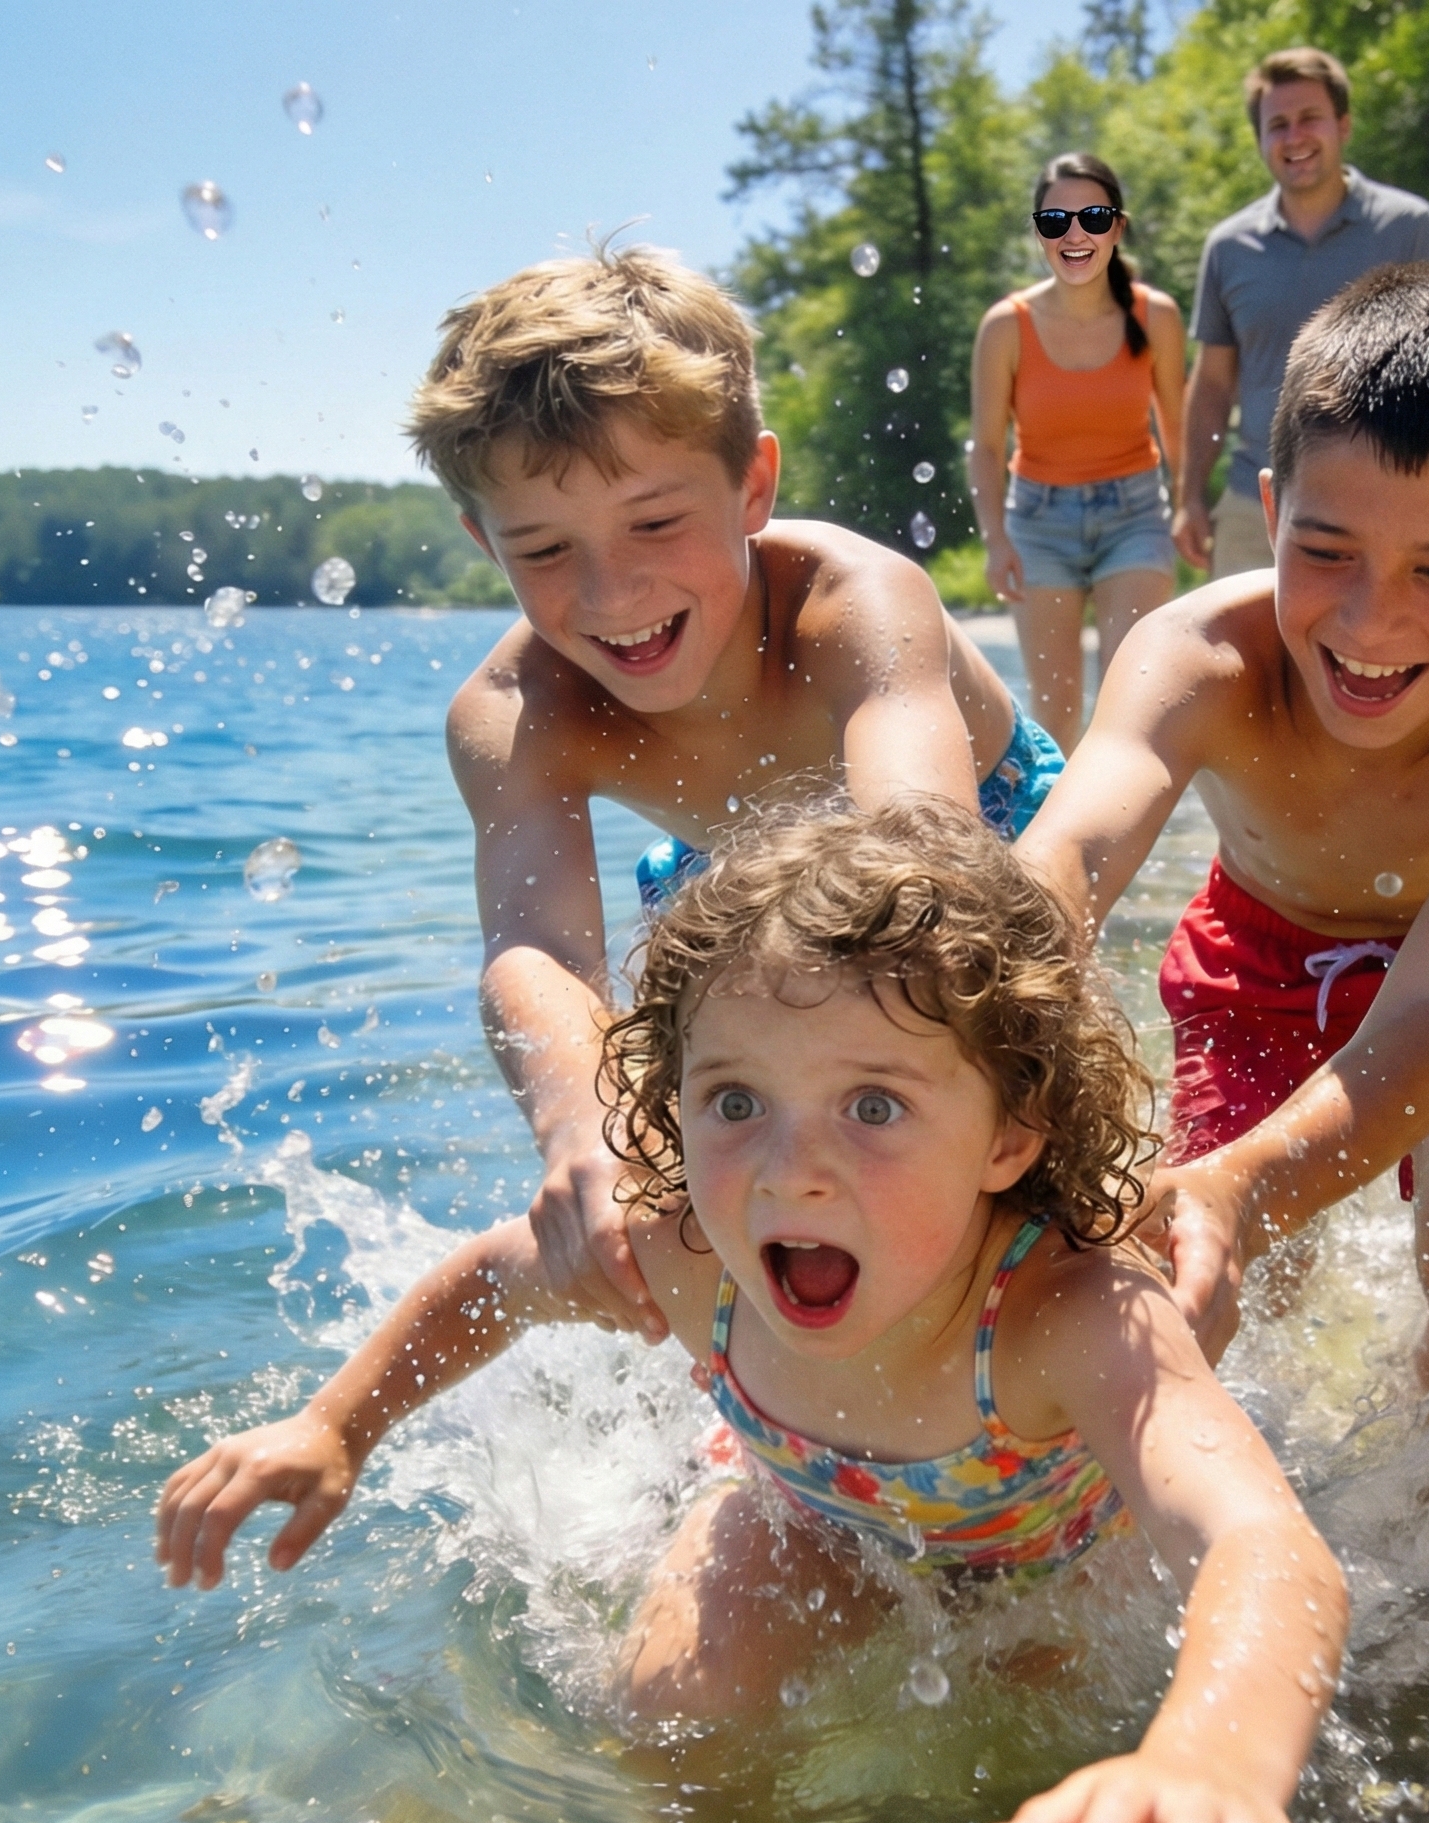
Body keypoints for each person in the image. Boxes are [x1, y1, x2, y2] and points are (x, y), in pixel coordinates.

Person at [154, 799, 1368, 1823]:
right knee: (678, 1707)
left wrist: (1214, 1750)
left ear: (1010, 1133)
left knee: (1020, 1768)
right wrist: (334, 1425)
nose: (792, 1170)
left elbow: (1265, 1548)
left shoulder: (1068, 1314)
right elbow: (492, 1285)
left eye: (875, 1105)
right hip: (803, 1509)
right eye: (734, 1101)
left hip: (1050, 1565)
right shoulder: (683, 1253)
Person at [405, 248, 1068, 1355]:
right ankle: (769, 1395)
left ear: (751, 485)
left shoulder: (854, 601)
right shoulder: (514, 712)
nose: (613, 594)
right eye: (544, 549)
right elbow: (536, 945)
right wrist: (585, 1133)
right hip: (729, 875)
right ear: (483, 540)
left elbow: (927, 849)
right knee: (717, 1159)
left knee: (988, 1153)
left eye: (655, 523)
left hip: (980, 833)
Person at [1022, 264, 1429, 1374]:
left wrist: (1241, 1188)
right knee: (1190, 1269)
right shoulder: (1195, 657)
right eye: (1325, 550)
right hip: (1249, 960)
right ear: (1270, 510)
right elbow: (1064, 855)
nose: (1369, 618)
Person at [1176, 48, 1429, 583]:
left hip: (1384, 497)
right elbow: (1210, 385)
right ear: (1260, 140)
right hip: (1255, 503)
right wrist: (1188, 498)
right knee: (1239, 664)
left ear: (1343, 125)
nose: (1293, 137)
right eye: (1276, 125)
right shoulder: (1228, 247)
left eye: (1309, 119)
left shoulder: (1408, 226)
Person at [968, 153, 1186, 753]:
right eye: (1054, 221)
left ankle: (1119, 845)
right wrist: (995, 539)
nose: (1075, 234)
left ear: (1117, 226)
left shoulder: (1156, 316)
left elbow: (1177, 427)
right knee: (1055, 712)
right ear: (1038, 233)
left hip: (1135, 516)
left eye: (1092, 216)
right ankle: (1047, 844)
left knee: (1130, 697)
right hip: (1038, 525)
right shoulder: (1005, 327)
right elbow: (986, 447)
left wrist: (1189, 508)